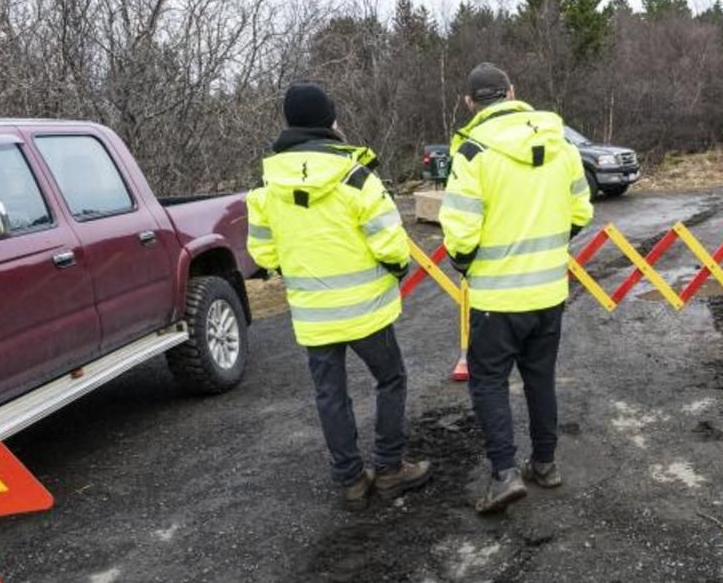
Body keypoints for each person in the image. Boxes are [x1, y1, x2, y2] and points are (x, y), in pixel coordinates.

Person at [246, 82, 431, 510]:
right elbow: (390, 244)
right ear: (330, 122)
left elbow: (263, 252)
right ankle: (389, 469)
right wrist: (397, 268)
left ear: (289, 122)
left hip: (313, 315)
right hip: (368, 311)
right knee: (390, 379)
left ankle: (350, 479)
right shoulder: (356, 178)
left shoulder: (266, 186)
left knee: (331, 394)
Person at [440, 63, 593, 514]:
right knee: (540, 378)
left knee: (488, 383)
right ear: (511, 92)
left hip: (494, 299)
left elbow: (460, 235)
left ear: (470, 103)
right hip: (549, 293)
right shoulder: (561, 144)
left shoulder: (471, 154)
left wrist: (471, 266)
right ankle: (544, 464)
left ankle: (504, 475)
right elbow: (581, 210)